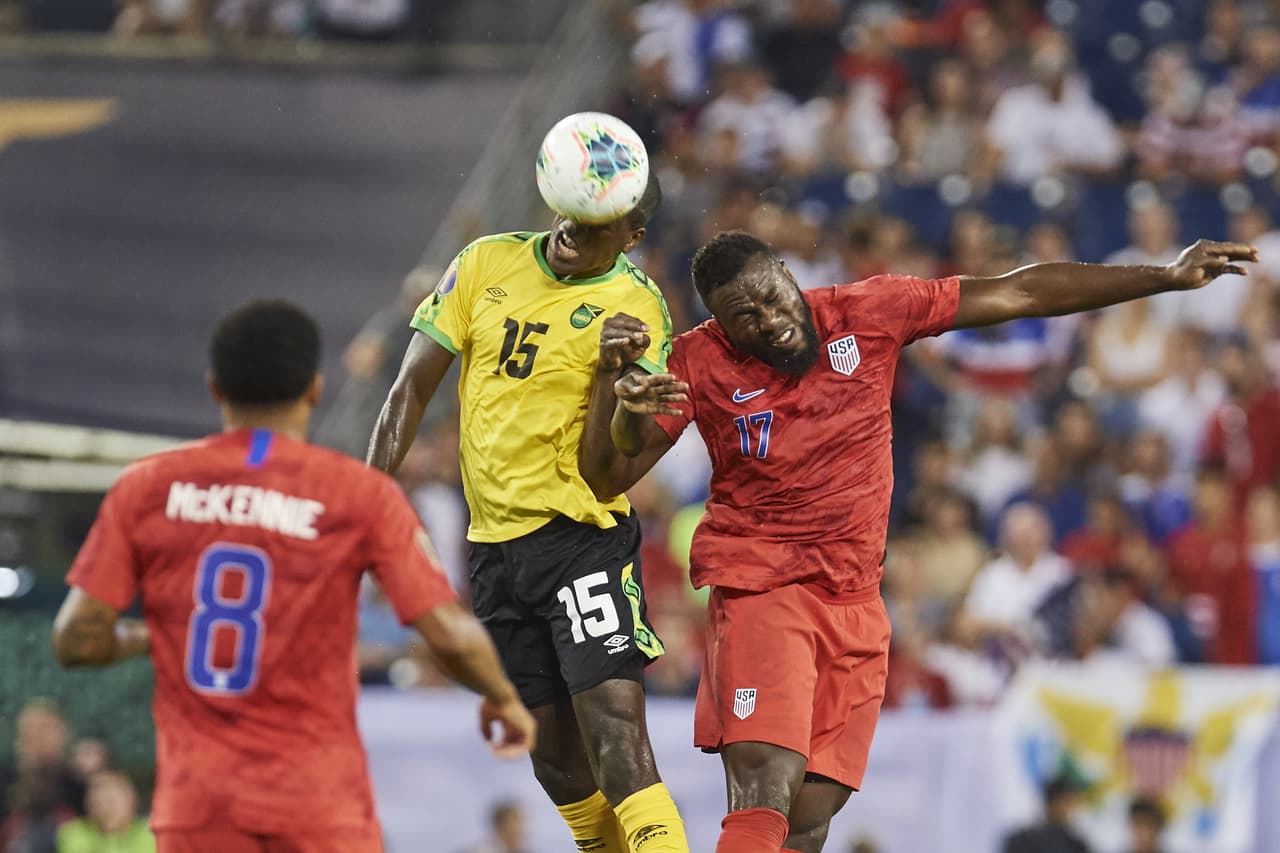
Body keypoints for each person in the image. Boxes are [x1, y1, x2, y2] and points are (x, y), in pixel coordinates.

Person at [578, 230, 1255, 853]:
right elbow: (606, 476)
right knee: (766, 783)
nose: (767, 319)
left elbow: (1019, 289)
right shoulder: (697, 360)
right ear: (719, 325)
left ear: (789, 273)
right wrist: (613, 392)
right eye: (742, 316)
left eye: (769, 296)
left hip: (857, 601)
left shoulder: (870, 311)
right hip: (764, 586)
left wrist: (1162, 277)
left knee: (811, 814)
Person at [51, 300, 534, 853]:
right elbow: (447, 632)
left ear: (214, 388)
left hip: (198, 807)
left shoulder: (148, 488)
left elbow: (75, 640)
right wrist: (501, 697)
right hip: (320, 806)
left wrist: (150, 638)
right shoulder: (358, 495)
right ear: (314, 388)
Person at [366, 174, 690, 853]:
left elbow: (609, 470)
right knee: (554, 761)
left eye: (599, 223)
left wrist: (618, 383)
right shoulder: (485, 260)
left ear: (632, 238)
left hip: (579, 540)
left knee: (616, 737)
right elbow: (409, 389)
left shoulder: (637, 306)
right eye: (574, 209)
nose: (575, 225)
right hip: (492, 552)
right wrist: (359, 505)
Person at [56, 770, 155, 853]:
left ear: (132, 800)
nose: (106, 809)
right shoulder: (73, 833)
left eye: (111, 801)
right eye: (98, 802)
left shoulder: (151, 833)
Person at [1002, 775, 1091, 853]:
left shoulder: (1075, 843)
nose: (1072, 808)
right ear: (1052, 802)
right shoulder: (1024, 840)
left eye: (1074, 802)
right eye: (1067, 801)